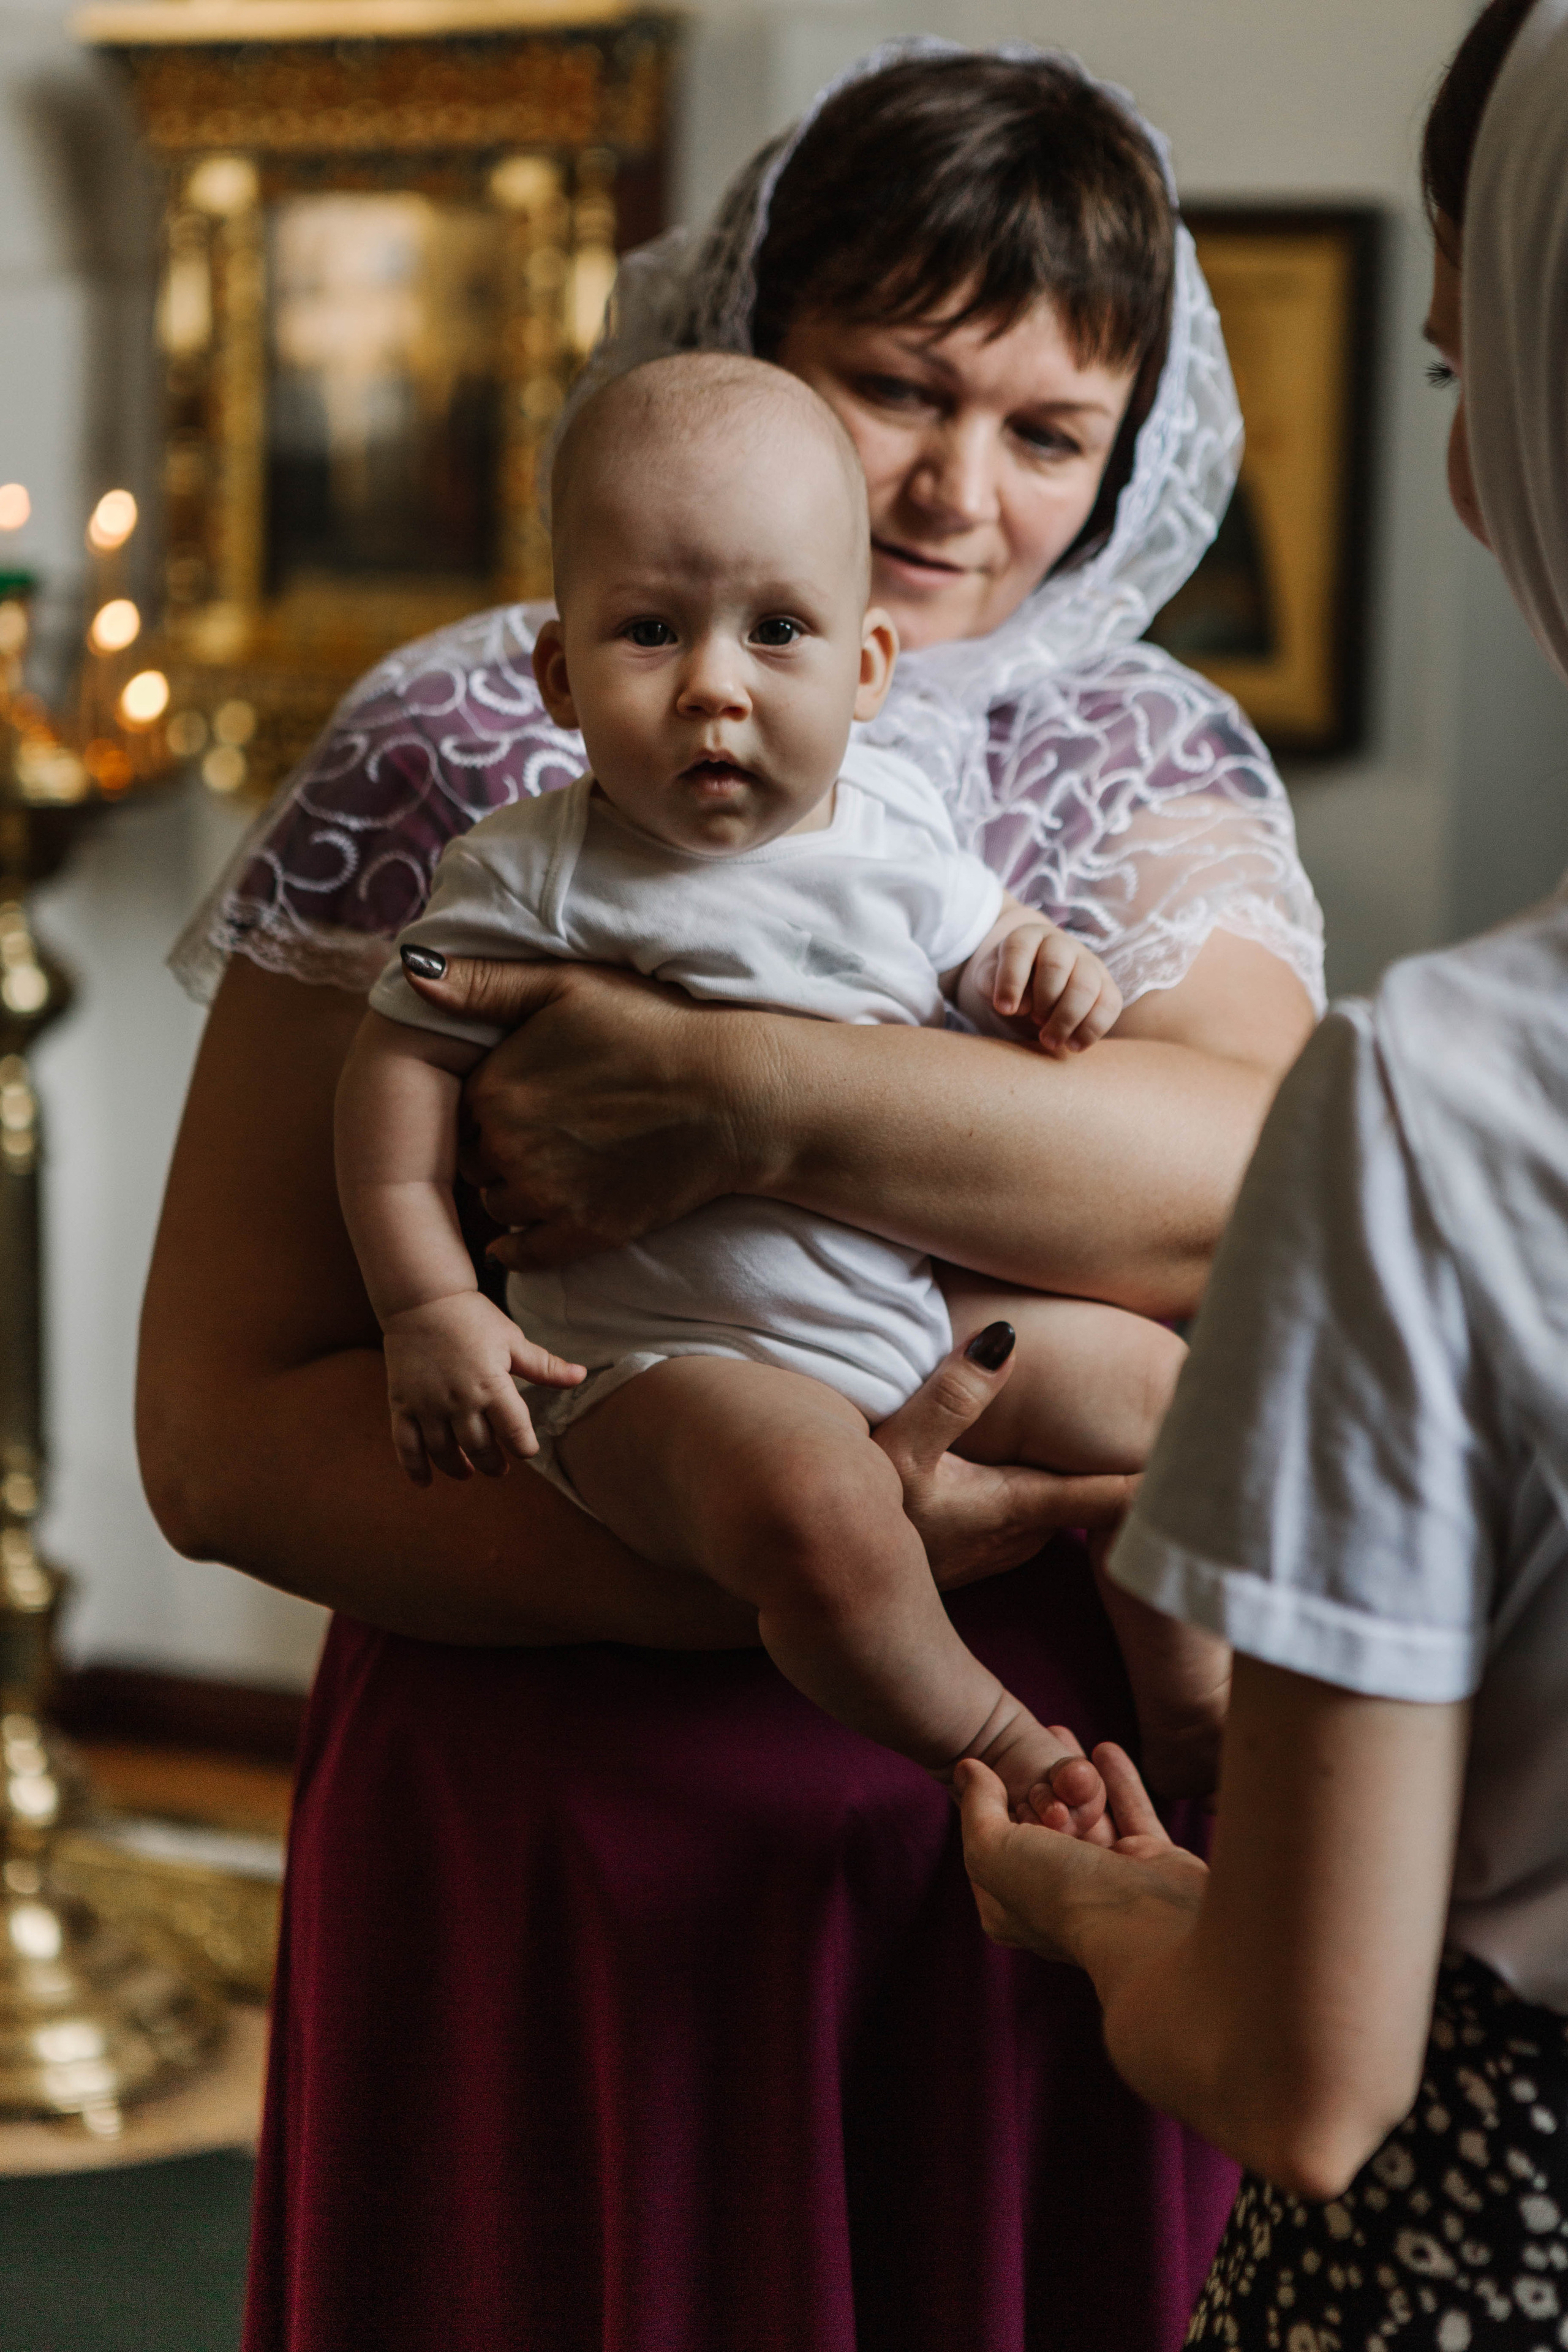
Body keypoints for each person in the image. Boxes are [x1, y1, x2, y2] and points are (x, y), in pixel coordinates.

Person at [140, 40, 1321, 2352]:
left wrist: (735, 1092)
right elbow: (216, 1425)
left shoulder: (1142, 757)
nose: (956, 492)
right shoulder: (470, 748)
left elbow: (1240, 1213)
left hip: (1029, 1848)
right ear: (749, 333)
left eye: (1049, 432)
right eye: (893, 385)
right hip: (568, 1774)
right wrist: (768, 1569)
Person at [956, 4, 1568, 2345]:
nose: (1458, 473)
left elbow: (1305, 2073)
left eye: (1458, 372)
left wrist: (1080, 1907)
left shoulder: (1440, 1104)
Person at [341, 350, 1209, 1828]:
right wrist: (427, 1304)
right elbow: (399, 1064)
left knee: (1163, 1387)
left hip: (902, 1307)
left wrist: (1041, 962)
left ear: (866, 669)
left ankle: (1194, 1709)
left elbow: (981, 939)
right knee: (820, 1512)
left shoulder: (897, 829)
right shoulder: (528, 873)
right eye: (648, 632)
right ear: (558, 675)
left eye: (778, 630)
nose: (715, 690)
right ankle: (1006, 1750)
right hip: (666, 1368)